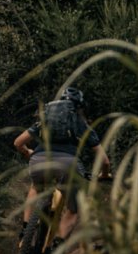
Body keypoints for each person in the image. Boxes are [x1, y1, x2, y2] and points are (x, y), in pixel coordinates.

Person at [13, 86, 111, 242]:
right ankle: (58, 245)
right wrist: (104, 175)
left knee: (36, 186)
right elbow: (104, 160)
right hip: (68, 165)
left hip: (39, 160)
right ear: (79, 106)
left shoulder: (45, 118)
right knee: (73, 210)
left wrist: (29, 153)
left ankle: (25, 230)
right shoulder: (80, 123)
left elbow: (18, 143)